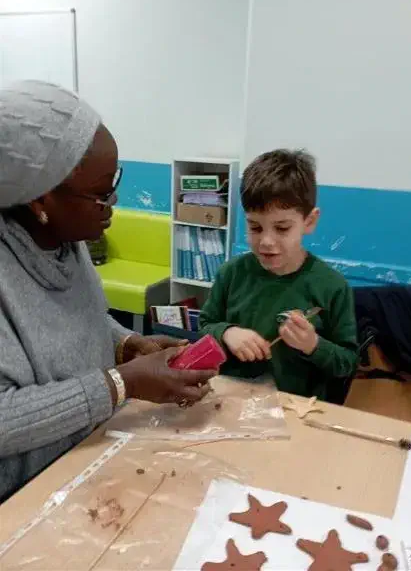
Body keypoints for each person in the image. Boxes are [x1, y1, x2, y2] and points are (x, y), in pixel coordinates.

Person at [0, 80, 215, 503]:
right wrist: (121, 384)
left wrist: (126, 344)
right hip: (24, 499)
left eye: (114, 181)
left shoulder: (67, 239)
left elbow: (81, 316)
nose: (114, 200)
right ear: (42, 200)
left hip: (90, 454)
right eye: (100, 194)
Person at [199, 149, 358, 401]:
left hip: (297, 410)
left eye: (282, 228)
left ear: (309, 221)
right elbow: (204, 325)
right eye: (255, 227)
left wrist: (313, 345)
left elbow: (348, 363)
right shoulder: (231, 274)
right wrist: (227, 332)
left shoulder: (332, 287)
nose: (266, 241)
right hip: (232, 401)